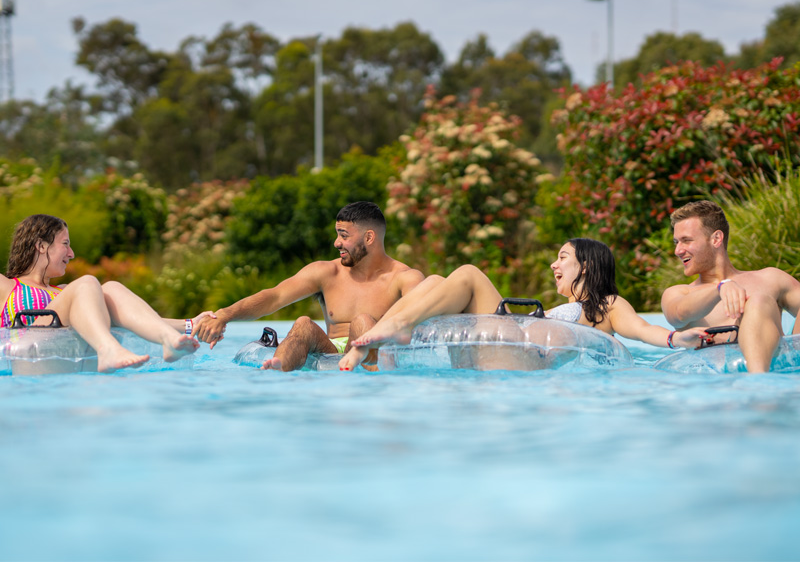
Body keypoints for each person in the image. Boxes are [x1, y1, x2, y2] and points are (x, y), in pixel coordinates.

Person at [338, 238, 708, 370]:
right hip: (502, 351)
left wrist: (678, 340)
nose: (553, 264)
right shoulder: (557, 310)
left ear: (587, 266)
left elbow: (642, 330)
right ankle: (385, 332)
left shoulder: (606, 304)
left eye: (563, 258)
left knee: (467, 272)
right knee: (435, 280)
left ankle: (392, 328)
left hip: (527, 359)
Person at [193, 202, 425, 371]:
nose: (337, 243)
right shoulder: (327, 272)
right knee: (303, 324)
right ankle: (275, 373)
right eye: (337, 235)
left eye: (344, 236)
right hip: (331, 354)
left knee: (362, 321)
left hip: (376, 355)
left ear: (369, 238)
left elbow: (426, 320)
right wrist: (224, 315)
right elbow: (274, 297)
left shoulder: (404, 278)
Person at [0, 214, 210, 372]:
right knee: (88, 283)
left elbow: (129, 316)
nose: (72, 254)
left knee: (111, 289)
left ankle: (168, 340)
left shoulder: (65, 293)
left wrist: (191, 324)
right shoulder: (8, 286)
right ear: (41, 246)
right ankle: (107, 349)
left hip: (67, 358)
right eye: (65, 244)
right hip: (27, 357)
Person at [661, 200, 800, 373]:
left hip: (778, 373)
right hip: (718, 388)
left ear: (716, 239)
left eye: (686, 240)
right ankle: (759, 384)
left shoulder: (771, 278)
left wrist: (795, 346)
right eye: (676, 242)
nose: (678, 251)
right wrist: (720, 288)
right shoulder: (678, 293)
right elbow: (679, 313)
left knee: (758, 301)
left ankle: (759, 382)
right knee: (757, 300)